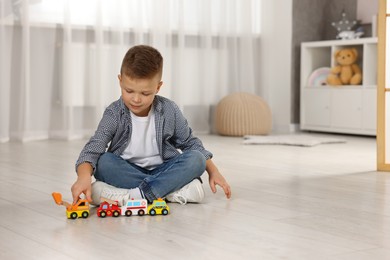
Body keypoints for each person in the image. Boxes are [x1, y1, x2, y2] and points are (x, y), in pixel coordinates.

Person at [71, 45, 231, 206]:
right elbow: (94, 148)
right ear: (120, 81)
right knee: (103, 162)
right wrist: (83, 178)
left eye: (145, 93)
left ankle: (134, 194)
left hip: (164, 169)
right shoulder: (114, 113)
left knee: (197, 159)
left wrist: (213, 171)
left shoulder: (169, 110)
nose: (136, 99)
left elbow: (190, 143)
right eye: (129, 91)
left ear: (158, 87)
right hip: (127, 171)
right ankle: (168, 191)